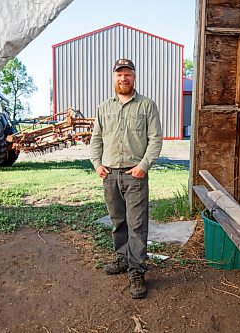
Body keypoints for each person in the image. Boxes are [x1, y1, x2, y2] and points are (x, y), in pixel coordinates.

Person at [90, 58, 163, 299]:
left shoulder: (147, 106)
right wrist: (97, 164)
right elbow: (96, 140)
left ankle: (137, 270)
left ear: (134, 77)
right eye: (119, 74)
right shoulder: (103, 108)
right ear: (114, 78)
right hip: (110, 175)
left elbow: (155, 140)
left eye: (128, 74)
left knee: (137, 224)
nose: (124, 78)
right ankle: (122, 259)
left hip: (135, 175)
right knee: (118, 221)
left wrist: (144, 166)